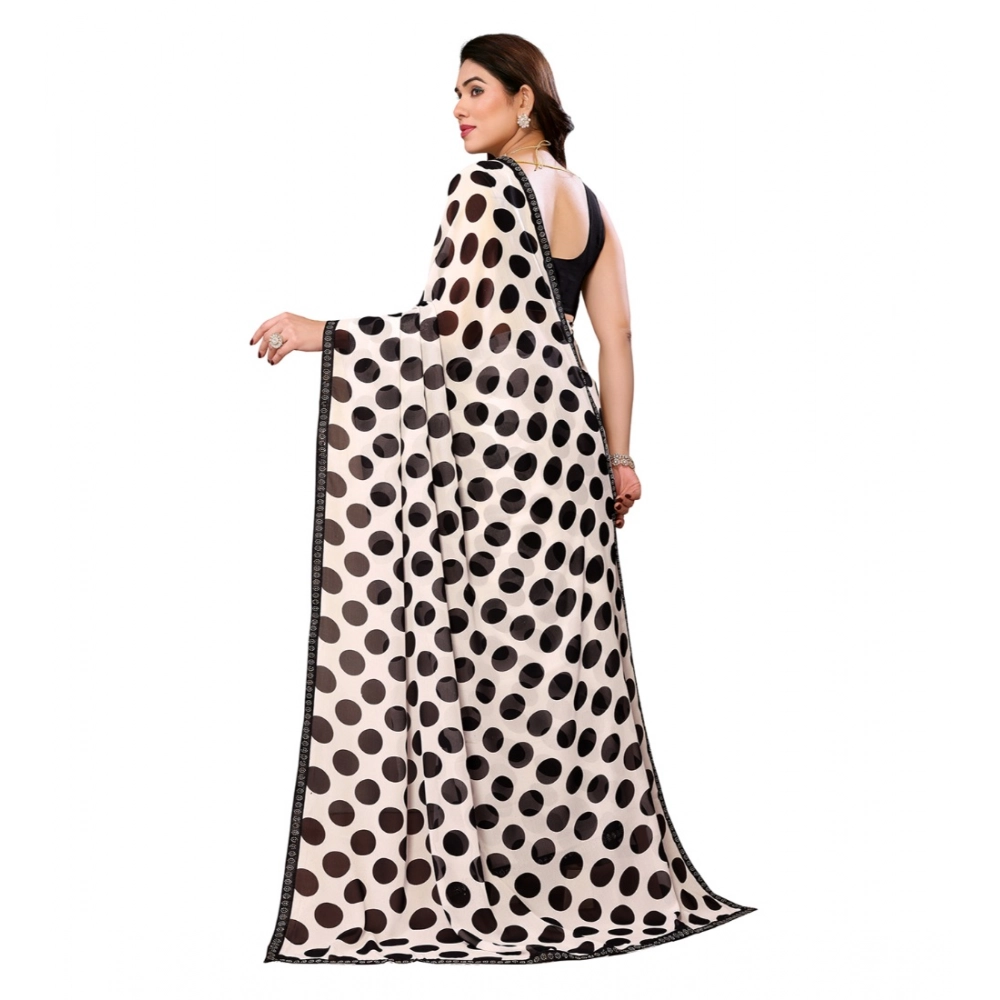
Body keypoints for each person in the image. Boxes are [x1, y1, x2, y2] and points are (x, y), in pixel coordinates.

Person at [254, 33, 755, 966]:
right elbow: (617, 341)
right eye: (455, 92)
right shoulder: (589, 203)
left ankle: (491, 878)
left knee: (481, 662)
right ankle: (579, 874)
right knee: (562, 668)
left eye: (474, 89)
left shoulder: (481, 189)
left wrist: (323, 332)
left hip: (497, 455)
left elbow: (450, 330)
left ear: (526, 100)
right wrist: (620, 458)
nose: (457, 108)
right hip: (568, 450)